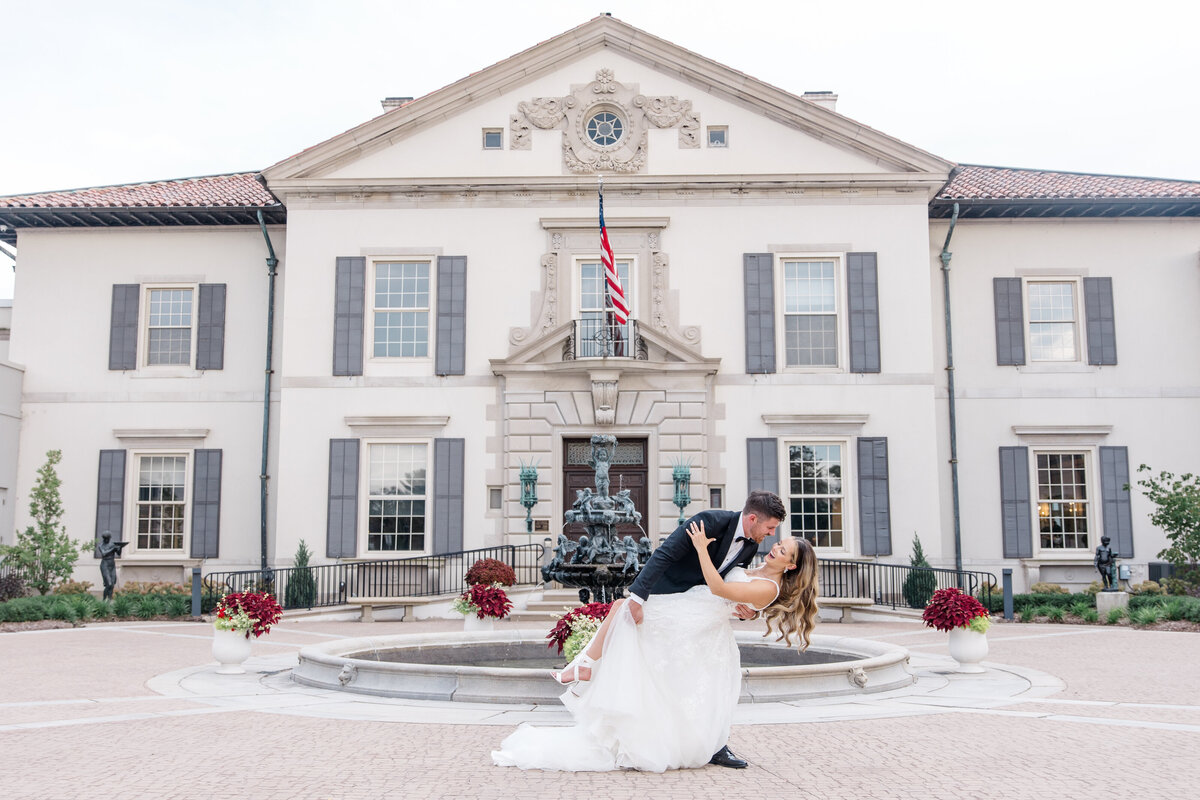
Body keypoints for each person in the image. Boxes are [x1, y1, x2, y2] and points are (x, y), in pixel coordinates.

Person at [492, 490, 819, 772]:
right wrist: (638, 594)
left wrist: (744, 608)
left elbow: (730, 587)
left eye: (779, 539)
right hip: (680, 601)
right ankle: (590, 672)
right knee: (632, 625)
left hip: (703, 618)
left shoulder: (752, 548)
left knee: (696, 684)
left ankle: (709, 744)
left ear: (790, 564)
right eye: (771, 529)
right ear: (752, 519)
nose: (772, 538)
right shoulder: (710, 522)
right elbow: (663, 555)